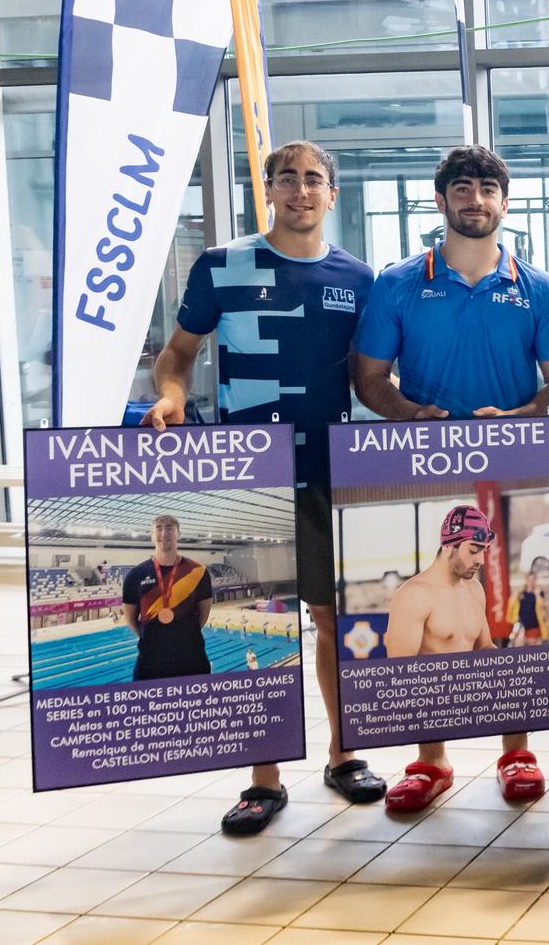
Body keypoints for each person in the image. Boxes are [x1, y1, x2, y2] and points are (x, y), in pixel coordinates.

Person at [146, 140, 384, 836]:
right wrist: (171, 398)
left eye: (313, 179)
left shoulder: (358, 278)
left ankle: (345, 755)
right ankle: (263, 779)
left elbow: (370, 377)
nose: (301, 190)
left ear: (332, 194)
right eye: (288, 179)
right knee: (260, 624)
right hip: (251, 478)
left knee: (332, 622)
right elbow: (178, 354)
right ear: (269, 191)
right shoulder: (222, 266)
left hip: (328, 475)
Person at [355, 144, 549, 813]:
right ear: (441, 199)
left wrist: (521, 415)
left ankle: (517, 751)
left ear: (504, 202)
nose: (475, 200)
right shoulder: (396, 283)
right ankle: (431, 760)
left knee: (504, 617)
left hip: (515, 467)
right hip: (426, 466)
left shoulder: (540, 289)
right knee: (435, 621)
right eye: (462, 188)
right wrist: (410, 413)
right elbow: (369, 379)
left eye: (486, 189)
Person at [386, 505, 496, 657]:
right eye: (473, 550)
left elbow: (484, 648)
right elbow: (399, 668)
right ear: (448, 546)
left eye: (484, 550)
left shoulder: (475, 589)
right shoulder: (413, 596)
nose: (481, 560)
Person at [122, 515, 213, 680]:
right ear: (152, 536)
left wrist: (187, 634)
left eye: (170, 528)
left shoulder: (198, 572)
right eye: (159, 528)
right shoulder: (135, 575)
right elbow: (130, 619)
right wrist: (150, 637)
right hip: (150, 665)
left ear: (179, 534)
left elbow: (204, 614)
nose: (164, 533)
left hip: (193, 661)